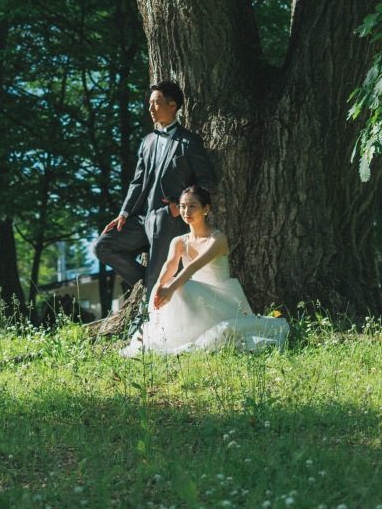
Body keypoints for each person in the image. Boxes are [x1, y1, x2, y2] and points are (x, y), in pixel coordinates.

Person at [121, 185, 290, 355]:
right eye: (182, 206)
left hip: (223, 298)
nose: (186, 210)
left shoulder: (217, 238)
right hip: (197, 297)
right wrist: (160, 285)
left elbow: (193, 266)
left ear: (206, 209)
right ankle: (177, 338)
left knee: (181, 286)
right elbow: (170, 265)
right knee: (173, 283)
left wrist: (170, 290)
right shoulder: (179, 241)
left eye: (192, 206)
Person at [94, 81, 217, 294]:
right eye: (150, 103)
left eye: (156, 103)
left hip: (167, 218)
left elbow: (207, 181)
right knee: (102, 246)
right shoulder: (147, 141)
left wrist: (181, 206)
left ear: (172, 105)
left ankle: (152, 302)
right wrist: (124, 213)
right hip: (140, 219)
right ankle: (148, 284)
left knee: (157, 272)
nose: (150, 109)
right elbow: (137, 182)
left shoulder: (189, 141)